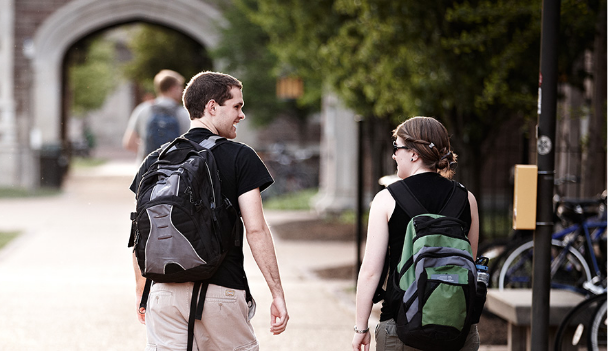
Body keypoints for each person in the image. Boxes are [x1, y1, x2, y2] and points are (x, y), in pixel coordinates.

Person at [130, 71, 289, 350]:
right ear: (212, 107)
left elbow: (141, 233)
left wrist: (143, 292)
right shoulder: (240, 156)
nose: (241, 115)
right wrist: (277, 293)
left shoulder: (155, 160)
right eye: (237, 106)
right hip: (221, 291)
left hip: (163, 294)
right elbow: (256, 229)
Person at [352, 116, 480, 351]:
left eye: (396, 147)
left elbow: (371, 271)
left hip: (402, 326)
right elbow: (469, 263)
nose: (394, 155)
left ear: (413, 153)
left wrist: (361, 327)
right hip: (458, 328)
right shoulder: (466, 198)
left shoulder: (387, 199)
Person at [122, 69, 191, 162]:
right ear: (173, 88)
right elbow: (190, 145)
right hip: (174, 171)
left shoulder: (142, 109)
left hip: (146, 170)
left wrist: (149, 155)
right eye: (180, 87)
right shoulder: (183, 113)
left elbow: (129, 143)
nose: (181, 91)